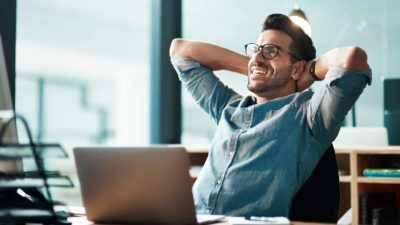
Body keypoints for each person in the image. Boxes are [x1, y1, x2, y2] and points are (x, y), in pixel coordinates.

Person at [169, 14, 371, 217]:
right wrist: (255, 66)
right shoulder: (228, 107)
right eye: (256, 50)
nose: (256, 57)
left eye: (271, 51)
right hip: (190, 218)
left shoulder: (309, 117)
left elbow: (352, 58)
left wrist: (309, 71)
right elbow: (180, 51)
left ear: (297, 67)